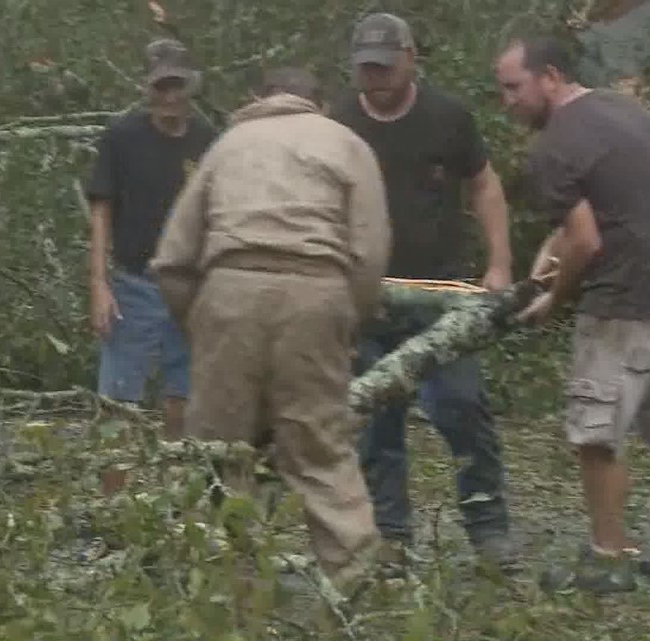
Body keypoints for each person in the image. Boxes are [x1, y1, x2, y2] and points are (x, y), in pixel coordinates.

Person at [148, 67, 392, 589]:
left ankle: (225, 590)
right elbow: (370, 254)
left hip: (229, 291)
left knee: (218, 456)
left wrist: (202, 326)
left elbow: (171, 261)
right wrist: (345, 321)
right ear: (320, 104)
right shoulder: (348, 144)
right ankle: (353, 584)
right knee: (321, 451)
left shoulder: (225, 147)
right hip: (317, 292)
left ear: (257, 98)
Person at [495, 35, 650, 592]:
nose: (507, 102)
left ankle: (607, 560)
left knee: (596, 433)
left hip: (627, 303)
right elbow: (585, 221)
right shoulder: (623, 110)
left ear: (550, 76)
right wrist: (541, 270)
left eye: (514, 87)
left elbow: (586, 241)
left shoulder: (554, 146)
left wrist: (554, 300)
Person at [327, 12, 517, 571]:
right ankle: (390, 535)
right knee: (374, 418)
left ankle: (488, 528)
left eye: (385, 67)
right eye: (367, 68)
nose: (377, 78)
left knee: (462, 406)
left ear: (410, 59)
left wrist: (500, 264)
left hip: (441, 295)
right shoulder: (337, 123)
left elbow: (484, 184)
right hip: (366, 297)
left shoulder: (447, 117)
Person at [84, 38, 217, 445]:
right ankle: (114, 486)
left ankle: (176, 482)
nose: (170, 96)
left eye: (177, 85)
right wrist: (98, 285)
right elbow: (101, 211)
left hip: (192, 288)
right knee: (117, 405)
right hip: (133, 284)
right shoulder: (122, 139)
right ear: (147, 87)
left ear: (191, 85)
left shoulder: (209, 140)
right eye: (161, 86)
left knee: (184, 400)